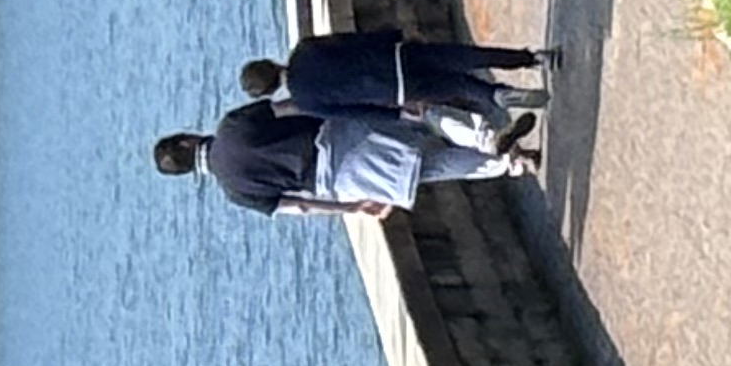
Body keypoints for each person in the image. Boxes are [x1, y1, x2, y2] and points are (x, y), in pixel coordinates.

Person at [153, 102, 532, 217]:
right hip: (336, 135)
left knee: (434, 169)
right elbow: (293, 104)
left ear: (191, 171)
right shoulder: (232, 125)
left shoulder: (234, 191)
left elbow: (298, 205)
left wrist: (352, 206)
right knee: (422, 120)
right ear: (187, 140)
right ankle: (485, 137)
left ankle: (515, 163)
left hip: (336, 181)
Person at [240, 30, 546, 142]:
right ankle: (530, 58)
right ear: (269, 62)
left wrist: (397, 115)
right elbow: (353, 41)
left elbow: (354, 113)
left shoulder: (305, 101)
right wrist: (392, 36)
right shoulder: (305, 50)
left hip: (395, 91)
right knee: (464, 58)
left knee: (459, 86)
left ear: (271, 91)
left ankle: (497, 95)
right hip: (394, 56)